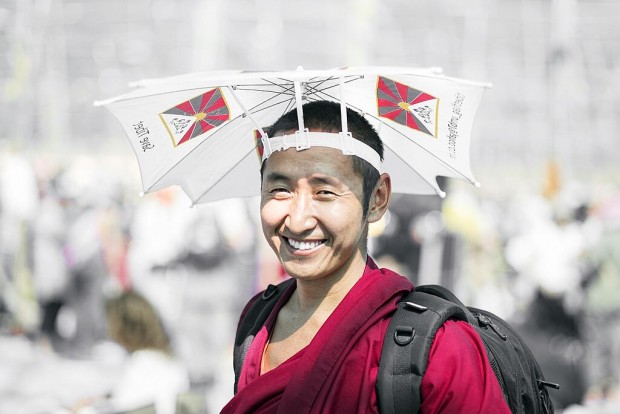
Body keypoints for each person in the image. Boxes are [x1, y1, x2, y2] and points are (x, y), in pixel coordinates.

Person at [222, 101, 510, 413]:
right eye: (280, 189)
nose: (297, 220)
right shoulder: (258, 319)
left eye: (325, 193)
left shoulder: (436, 346)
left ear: (377, 199)